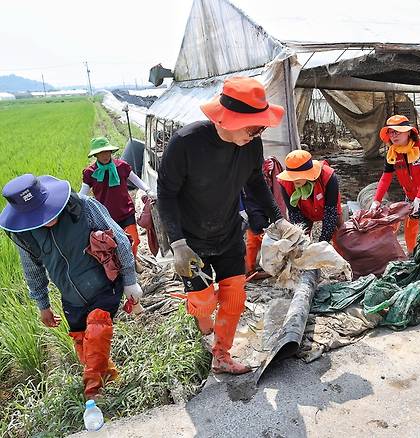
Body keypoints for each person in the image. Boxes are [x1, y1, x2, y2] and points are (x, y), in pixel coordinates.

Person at [157, 76, 291, 374]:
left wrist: (279, 220)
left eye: (262, 128)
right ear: (228, 120)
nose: (258, 134)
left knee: (234, 298)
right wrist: (177, 244)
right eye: (254, 127)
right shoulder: (185, 144)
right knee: (204, 304)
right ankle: (202, 322)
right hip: (191, 242)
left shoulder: (251, 146)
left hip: (229, 233)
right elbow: (165, 194)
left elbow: (256, 183)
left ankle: (222, 356)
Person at [0, 174, 142, 399]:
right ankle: (111, 378)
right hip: (71, 297)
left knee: (97, 326)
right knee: (82, 342)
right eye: (37, 217)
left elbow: (121, 240)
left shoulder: (83, 207)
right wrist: (43, 305)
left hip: (104, 284)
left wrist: (130, 280)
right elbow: (33, 270)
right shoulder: (25, 234)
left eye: (45, 210)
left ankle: (92, 392)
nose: (46, 219)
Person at [369, 115, 420, 252]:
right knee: (410, 223)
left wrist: (419, 199)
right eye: (391, 132)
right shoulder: (392, 153)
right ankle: (411, 253)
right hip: (412, 193)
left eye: (397, 131)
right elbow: (385, 178)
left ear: (409, 132)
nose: (394, 135)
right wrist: (376, 201)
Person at [79, 137, 154, 262]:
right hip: (105, 216)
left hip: (125, 210)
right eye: (101, 152)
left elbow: (135, 179)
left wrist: (148, 190)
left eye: (107, 151)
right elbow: (83, 194)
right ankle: (121, 266)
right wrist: (76, 205)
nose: (105, 155)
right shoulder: (90, 172)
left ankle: (132, 261)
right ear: (96, 155)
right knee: (113, 244)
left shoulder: (121, 166)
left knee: (134, 240)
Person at [277, 150, 342, 243]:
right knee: (301, 241)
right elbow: (295, 214)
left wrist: (323, 241)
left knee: (340, 236)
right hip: (304, 212)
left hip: (329, 210)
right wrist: (303, 241)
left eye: (297, 176)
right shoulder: (285, 184)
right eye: (291, 176)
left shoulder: (328, 177)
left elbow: (331, 212)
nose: (294, 180)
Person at [243, 156, 287, 279]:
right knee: (266, 241)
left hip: (254, 213)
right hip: (256, 214)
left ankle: (250, 270)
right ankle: (271, 268)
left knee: (252, 242)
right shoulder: (260, 173)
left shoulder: (247, 173)